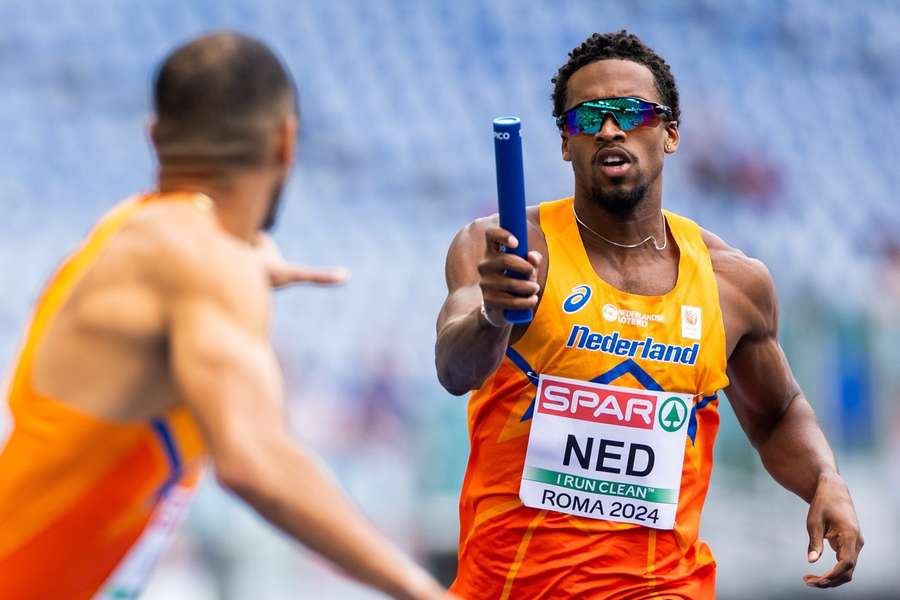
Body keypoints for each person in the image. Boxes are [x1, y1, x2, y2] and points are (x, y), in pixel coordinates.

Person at [0, 32, 448, 600]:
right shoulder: (202, 259)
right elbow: (253, 459)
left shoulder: (134, 233)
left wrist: (234, 272)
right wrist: (424, 591)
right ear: (286, 143)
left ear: (154, 138)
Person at [435, 30, 862, 599]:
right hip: (513, 586)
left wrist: (825, 480)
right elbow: (455, 369)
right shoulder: (505, 247)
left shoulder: (731, 282)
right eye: (587, 119)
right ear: (566, 143)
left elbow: (777, 411)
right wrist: (494, 315)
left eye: (631, 113)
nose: (610, 129)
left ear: (671, 133)